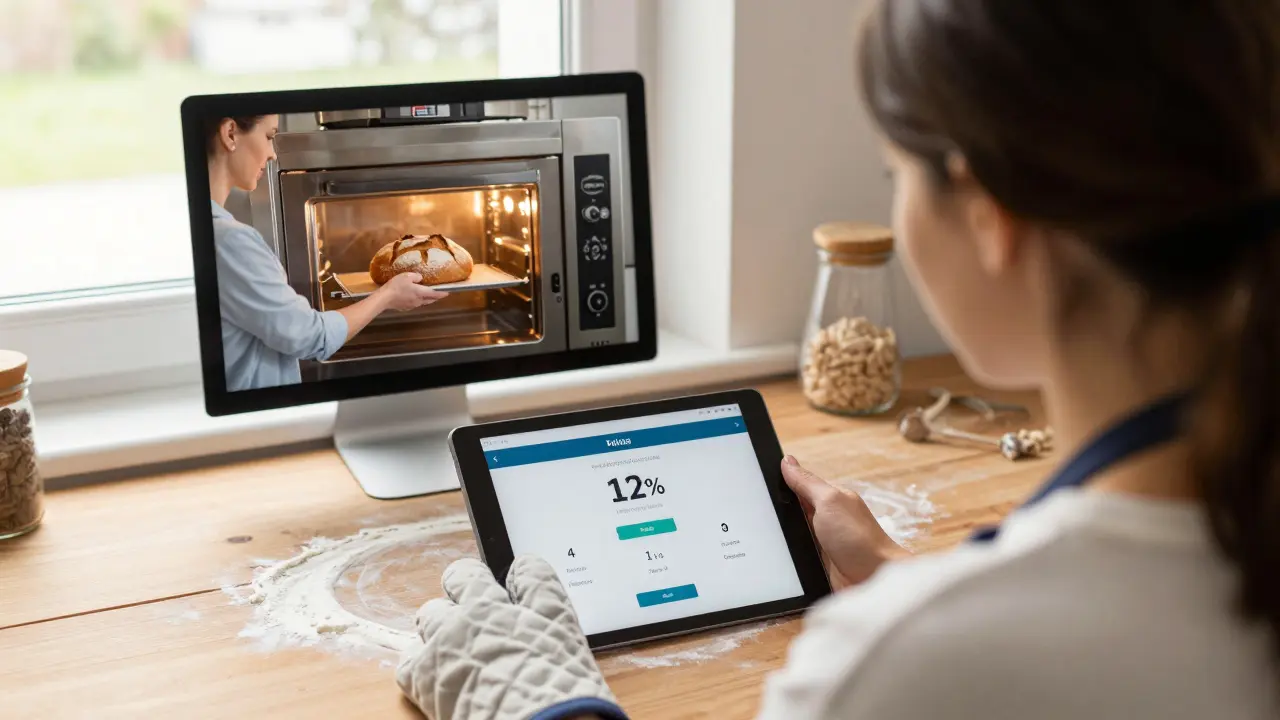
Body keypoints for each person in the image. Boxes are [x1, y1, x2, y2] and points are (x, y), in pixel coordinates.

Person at [393, 1, 1280, 718]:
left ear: (989, 216)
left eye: (897, 177)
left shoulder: (898, 670)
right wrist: (901, 574)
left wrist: (545, 707)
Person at [207, 115, 447, 391]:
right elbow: (311, 338)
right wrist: (388, 296)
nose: (273, 154)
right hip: (261, 416)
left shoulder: (214, 230)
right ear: (230, 134)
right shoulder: (231, 239)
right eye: (270, 137)